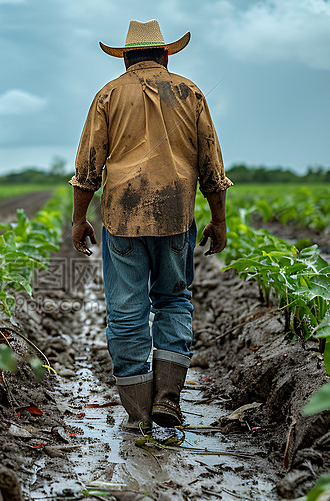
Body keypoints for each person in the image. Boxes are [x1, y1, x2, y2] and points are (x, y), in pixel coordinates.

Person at [69, 19, 232, 432]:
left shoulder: (107, 95)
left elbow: (88, 167)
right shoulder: (190, 91)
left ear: (126, 59)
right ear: (164, 55)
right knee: (173, 300)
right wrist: (219, 220)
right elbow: (212, 166)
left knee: (126, 312)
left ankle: (139, 413)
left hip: (122, 216)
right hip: (176, 214)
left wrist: (78, 219)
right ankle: (167, 399)